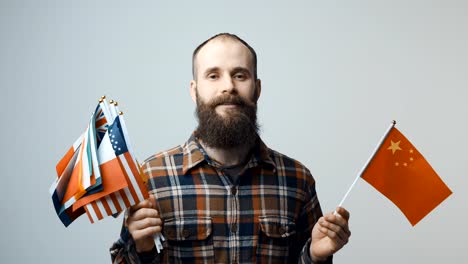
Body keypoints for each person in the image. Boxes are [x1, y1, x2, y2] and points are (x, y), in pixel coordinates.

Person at [110, 33, 351, 264]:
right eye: (213, 76)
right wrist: (141, 248)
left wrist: (316, 256)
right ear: (194, 91)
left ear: (257, 89)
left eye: (240, 75)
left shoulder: (297, 180)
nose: (228, 87)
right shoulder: (152, 178)